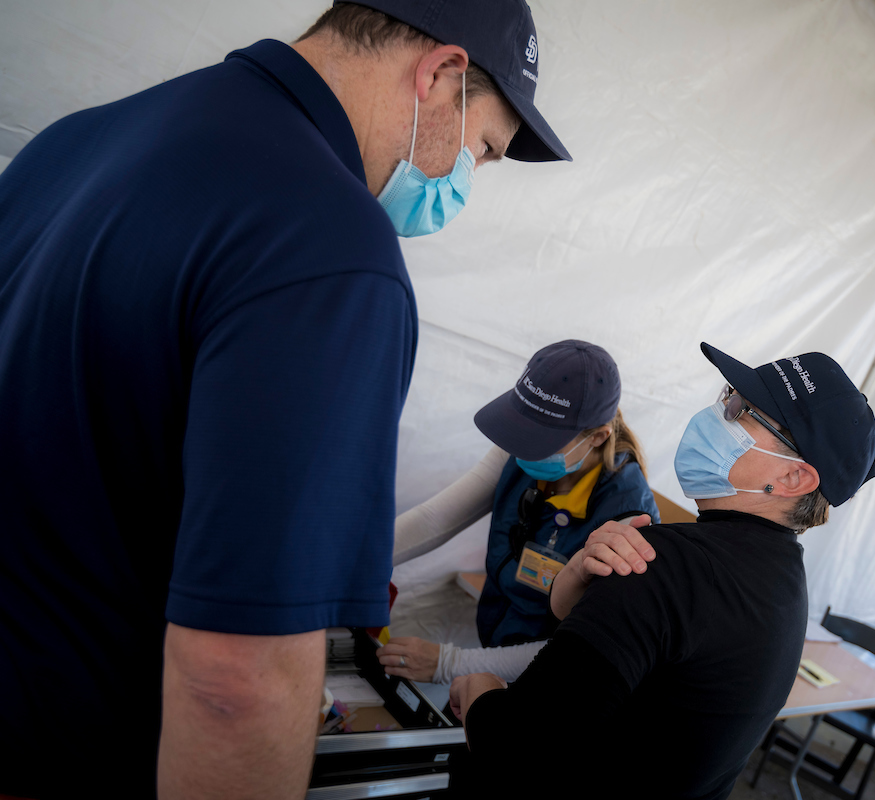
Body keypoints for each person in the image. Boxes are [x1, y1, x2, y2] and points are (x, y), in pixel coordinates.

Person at [0, 2, 570, 798]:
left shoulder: (73, 141)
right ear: (439, 74)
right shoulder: (331, 251)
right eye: (483, 148)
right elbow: (238, 677)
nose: (464, 179)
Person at [448, 342, 875, 800]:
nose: (718, 413)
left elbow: (512, 755)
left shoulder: (661, 566)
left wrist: (478, 684)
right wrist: (571, 588)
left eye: (741, 411)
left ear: (794, 479)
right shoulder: (784, 586)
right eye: (728, 395)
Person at [376, 340, 661, 685]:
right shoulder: (522, 454)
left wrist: (449, 664)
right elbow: (436, 519)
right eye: (522, 429)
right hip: (497, 651)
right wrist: (361, 563)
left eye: (540, 439)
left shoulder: (629, 520)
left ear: (598, 437)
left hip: (554, 684)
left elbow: (580, 648)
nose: (521, 447)